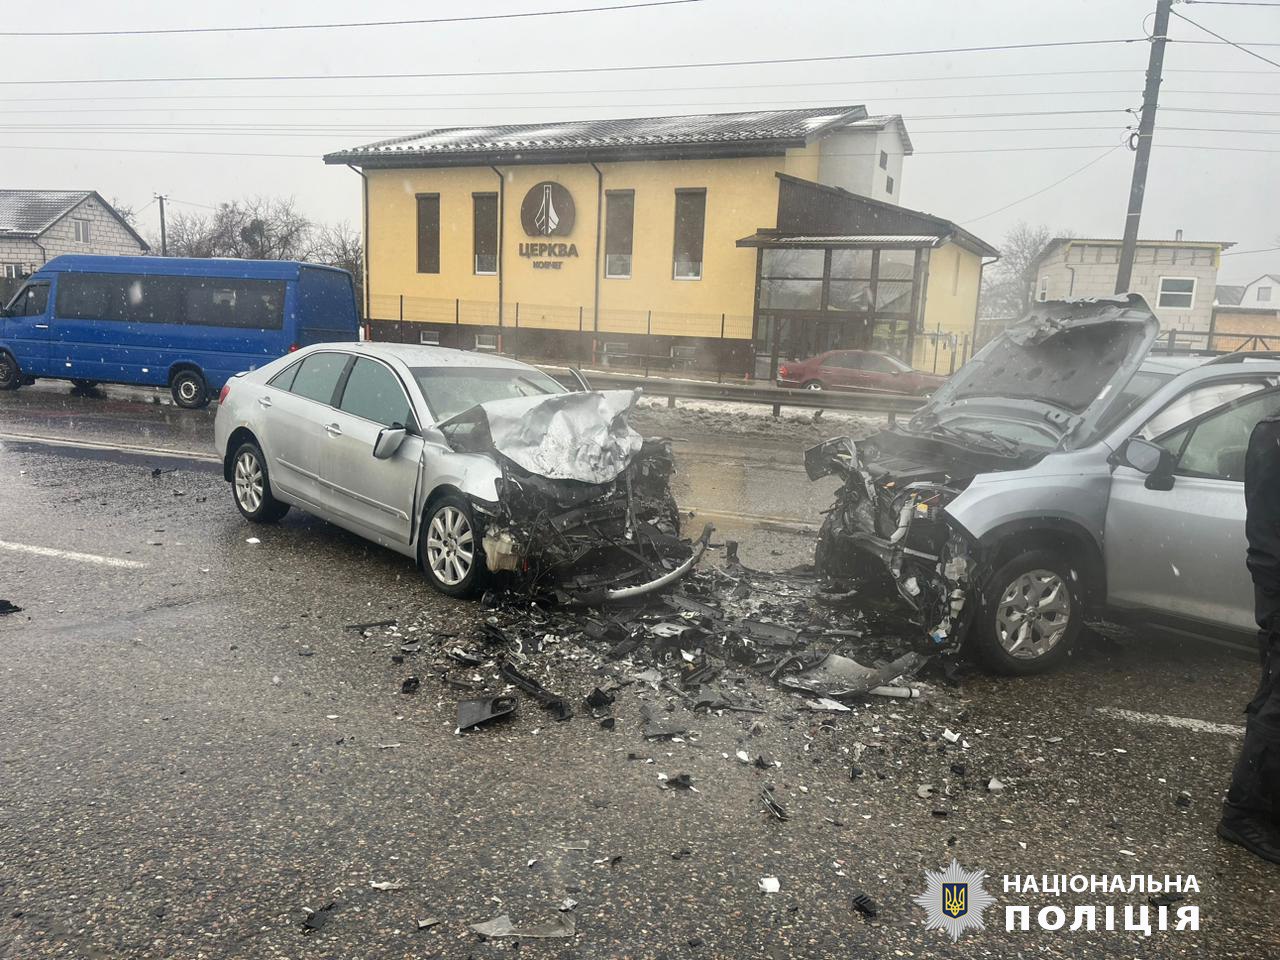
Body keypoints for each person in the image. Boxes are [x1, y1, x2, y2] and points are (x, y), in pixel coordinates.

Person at [1219, 415, 1280, 864]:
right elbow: (1266, 534)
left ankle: (1267, 803)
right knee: (1277, 705)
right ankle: (1242, 814)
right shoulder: (1273, 436)